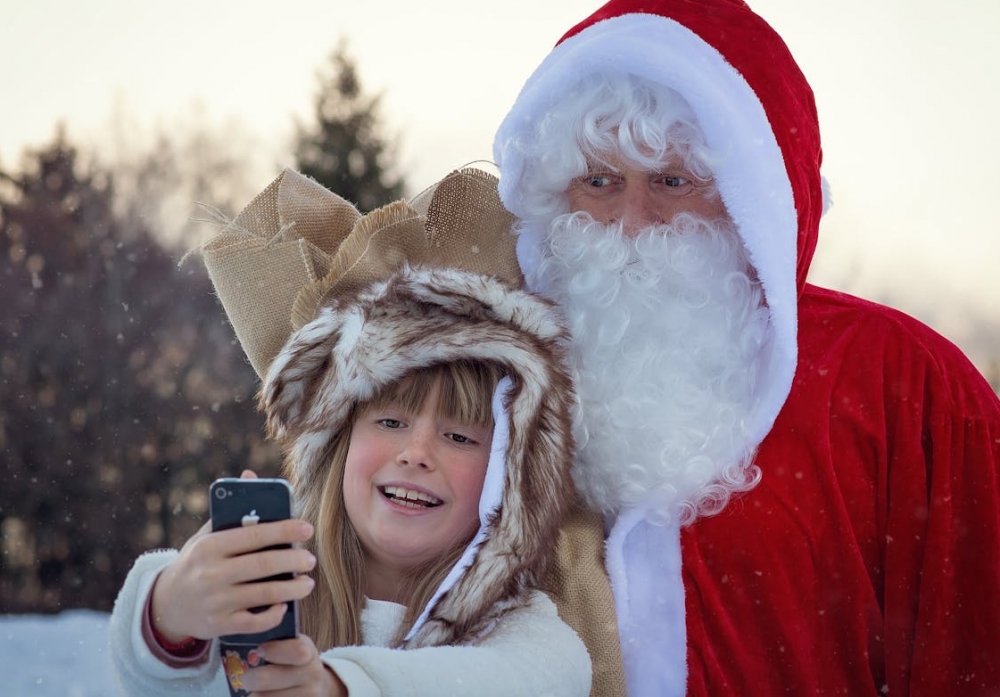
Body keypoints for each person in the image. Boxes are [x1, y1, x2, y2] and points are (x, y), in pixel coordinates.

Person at [492, 1, 1000, 695]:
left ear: (749, 197)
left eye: (673, 182)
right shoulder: (491, 379)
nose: (634, 224)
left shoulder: (903, 384)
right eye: (600, 182)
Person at [107, 168, 592, 696]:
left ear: (509, 478)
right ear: (338, 446)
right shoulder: (266, 590)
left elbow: (508, 683)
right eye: (389, 421)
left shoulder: (531, 637)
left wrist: (338, 687)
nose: (415, 453)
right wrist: (172, 609)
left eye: (460, 438)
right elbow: (153, 674)